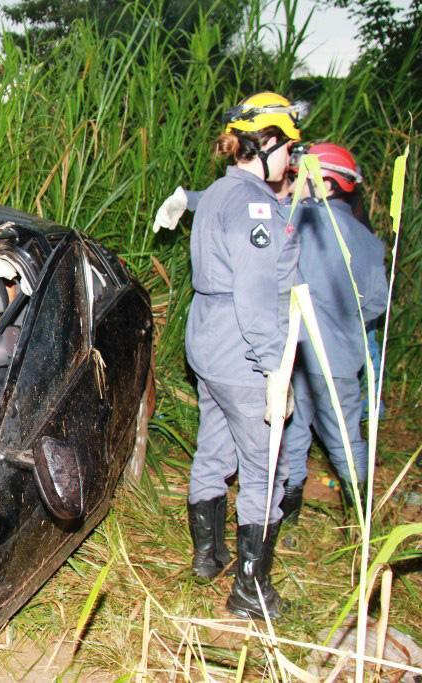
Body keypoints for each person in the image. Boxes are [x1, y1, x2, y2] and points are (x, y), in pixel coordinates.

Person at [183, 92, 303, 620]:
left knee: (215, 443)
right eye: (289, 149)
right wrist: (275, 369)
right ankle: (251, 590)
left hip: (207, 342)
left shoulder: (217, 193)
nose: (292, 161)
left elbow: (194, 199)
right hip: (241, 350)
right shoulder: (257, 207)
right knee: (263, 467)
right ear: (268, 142)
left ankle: (208, 555)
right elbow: (256, 297)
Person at [277, 143, 388, 524]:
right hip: (341, 356)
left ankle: (288, 516)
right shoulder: (368, 240)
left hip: (299, 350)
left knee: (295, 432)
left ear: (324, 181)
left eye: (300, 176)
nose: (294, 182)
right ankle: (359, 522)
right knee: (342, 437)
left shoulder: (305, 220)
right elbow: (376, 303)